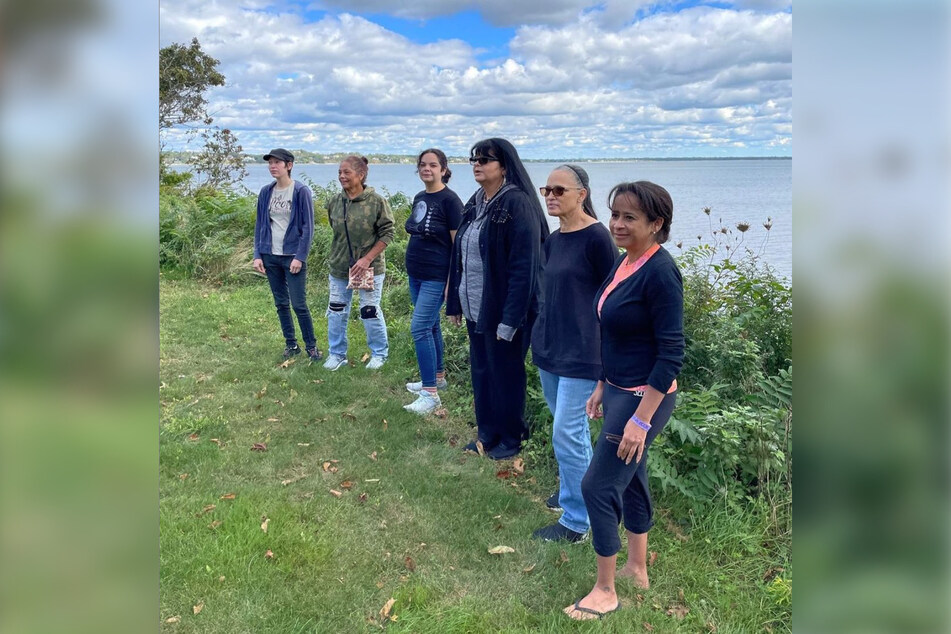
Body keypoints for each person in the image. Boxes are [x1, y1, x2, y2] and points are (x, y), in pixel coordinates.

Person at [565, 181, 684, 621]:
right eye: (615, 213)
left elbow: (672, 353)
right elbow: (613, 333)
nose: (616, 223)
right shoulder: (625, 261)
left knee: (598, 485)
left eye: (629, 217)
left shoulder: (661, 272)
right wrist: (601, 383)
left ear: (657, 224)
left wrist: (641, 420)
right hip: (617, 389)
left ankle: (605, 590)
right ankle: (636, 568)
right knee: (631, 477)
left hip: (643, 398)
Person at [445, 138, 549, 460]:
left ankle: (511, 438)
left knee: (506, 373)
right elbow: (459, 252)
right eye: (474, 159)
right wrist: (456, 303)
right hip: (477, 307)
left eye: (485, 160)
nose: (477, 164)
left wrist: (511, 319)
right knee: (482, 371)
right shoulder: (476, 201)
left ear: (503, 166)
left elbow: (524, 269)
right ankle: (486, 434)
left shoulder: (517, 204)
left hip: (506, 311)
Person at [529, 165, 617, 543]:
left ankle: (579, 521)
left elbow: (614, 299)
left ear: (581, 194)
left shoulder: (598, 238)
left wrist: (608, 359)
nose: (550, 195)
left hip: (584, 353)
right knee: (569, 430)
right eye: (546, 189)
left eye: (559, 190)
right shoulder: (554, 238)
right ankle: (573, 491)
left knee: (566, 432)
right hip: (550, 348)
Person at [403, 149, 464, 415]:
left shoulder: (450, 201)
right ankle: (438, 377)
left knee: (419, 328)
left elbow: (458, 245)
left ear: (443, 169)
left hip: (436, 275)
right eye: (422, 165)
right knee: (431, 325)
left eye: (432, 165)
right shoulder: (420, 197)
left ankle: (430, 394)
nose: (426, 169)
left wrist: (453, 282)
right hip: (415, 272)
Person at [322, 155, 395, 371]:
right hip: (339, 266)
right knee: (336, 310)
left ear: (361, 175)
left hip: (369, 268)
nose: (342, 176)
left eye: (347, 172)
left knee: (369, 310)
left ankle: (379, 353)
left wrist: (367, 258)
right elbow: (335, 230)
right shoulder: (335, 202)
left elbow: (388, 233)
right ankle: (336, 354)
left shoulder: (377, 202)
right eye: (339, 172)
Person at [252, 148, 321, 362]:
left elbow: (308, 228)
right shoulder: (266, 192)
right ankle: (291, 344)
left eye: (277, 162)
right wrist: (258, 254)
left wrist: (300, 257)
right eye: (270, 162)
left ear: (289, 165)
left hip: (292, 256)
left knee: (299, 304)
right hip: (270, 255)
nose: (273, 166)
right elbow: (260, 225)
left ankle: (311, 347)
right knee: (281, 303)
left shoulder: (300, 191)